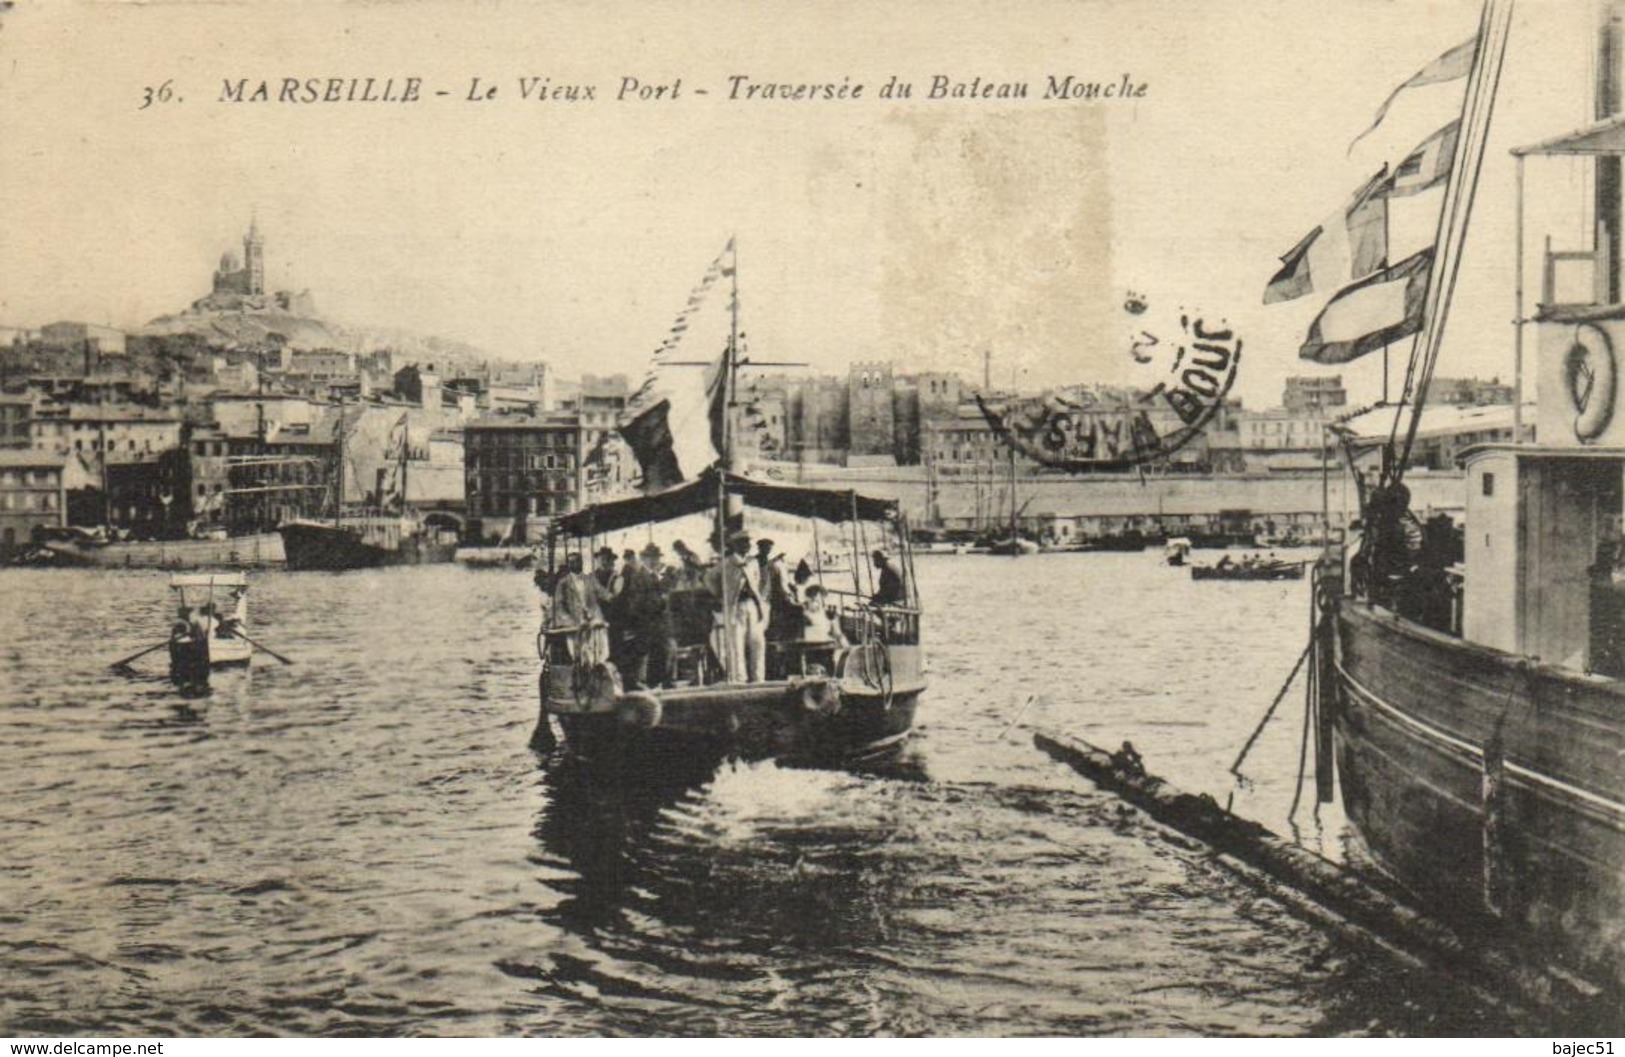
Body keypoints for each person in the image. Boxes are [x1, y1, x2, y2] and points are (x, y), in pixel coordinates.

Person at [706, 530, 767, 682]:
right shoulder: (726, 563)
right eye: (742, 542)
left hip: (752, 605)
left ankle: (759, 677)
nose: (747, 545)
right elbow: (709, 578)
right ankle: (739, 678)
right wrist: (720, 595)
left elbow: (757, 580)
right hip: (735, 607)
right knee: (736, 644)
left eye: (747, 542)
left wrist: (758, 599)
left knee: (757, 642)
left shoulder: (753, 562)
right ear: (734, 545)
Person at [550, 552, 610, 663]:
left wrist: (614, 596)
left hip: (592, 617)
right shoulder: (563, 583)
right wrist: (568, 620)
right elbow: (559, 605)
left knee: (599, 643)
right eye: (572, 562)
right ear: (569, 565)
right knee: (576, 652)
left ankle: (598, 665)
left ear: (581, 563)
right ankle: (580, 666)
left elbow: (602, 592)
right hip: (574, 621)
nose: (575, 564)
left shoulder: (590, 579)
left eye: (577, 561)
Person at [756, 537, 800, 643]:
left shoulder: (768, 561)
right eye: (766, 548)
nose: (768, 551)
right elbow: (763, 571)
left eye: (769, 549)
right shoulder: (758, 560)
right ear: (760, 548)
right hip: (762, 593)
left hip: (768, 593)